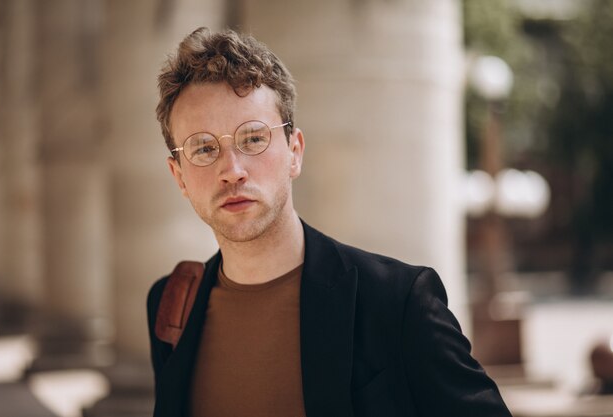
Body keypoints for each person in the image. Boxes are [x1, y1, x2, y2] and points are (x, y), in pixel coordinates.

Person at [147, 27, 512, 417]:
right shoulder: (171, 304)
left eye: (253, 139)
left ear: (294, 152)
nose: (232, 171)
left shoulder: (398, 302)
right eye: (204, 148)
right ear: (179, 176)